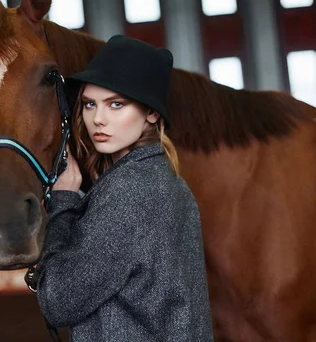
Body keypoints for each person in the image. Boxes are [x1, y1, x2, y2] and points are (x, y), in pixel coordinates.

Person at [35, 35, 214, 341]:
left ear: (152, 112)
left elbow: (58, 301)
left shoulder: (129, 193)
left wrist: (63, 202)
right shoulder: (170, 182)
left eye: (116, 104)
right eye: (90, 104)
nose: (98, 119)